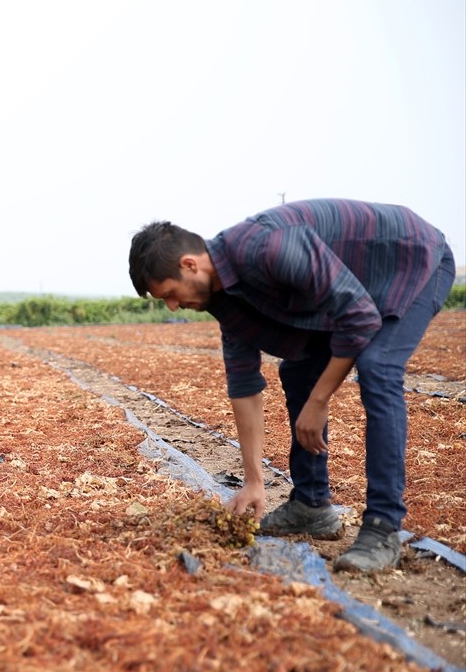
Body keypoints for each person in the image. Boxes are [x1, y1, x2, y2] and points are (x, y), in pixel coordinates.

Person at [128, 199, 455, 572]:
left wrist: (318, 401)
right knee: (298, 368)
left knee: (378, 367)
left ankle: (383, 526)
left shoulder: (265, 248)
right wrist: (253, 481)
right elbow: (245, 386)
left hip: (410, 259)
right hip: (354, 289)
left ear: (190, 264)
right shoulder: (224, 302)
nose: (172, 306)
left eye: (170, 293)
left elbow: (360, 318)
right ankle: (311, 506)